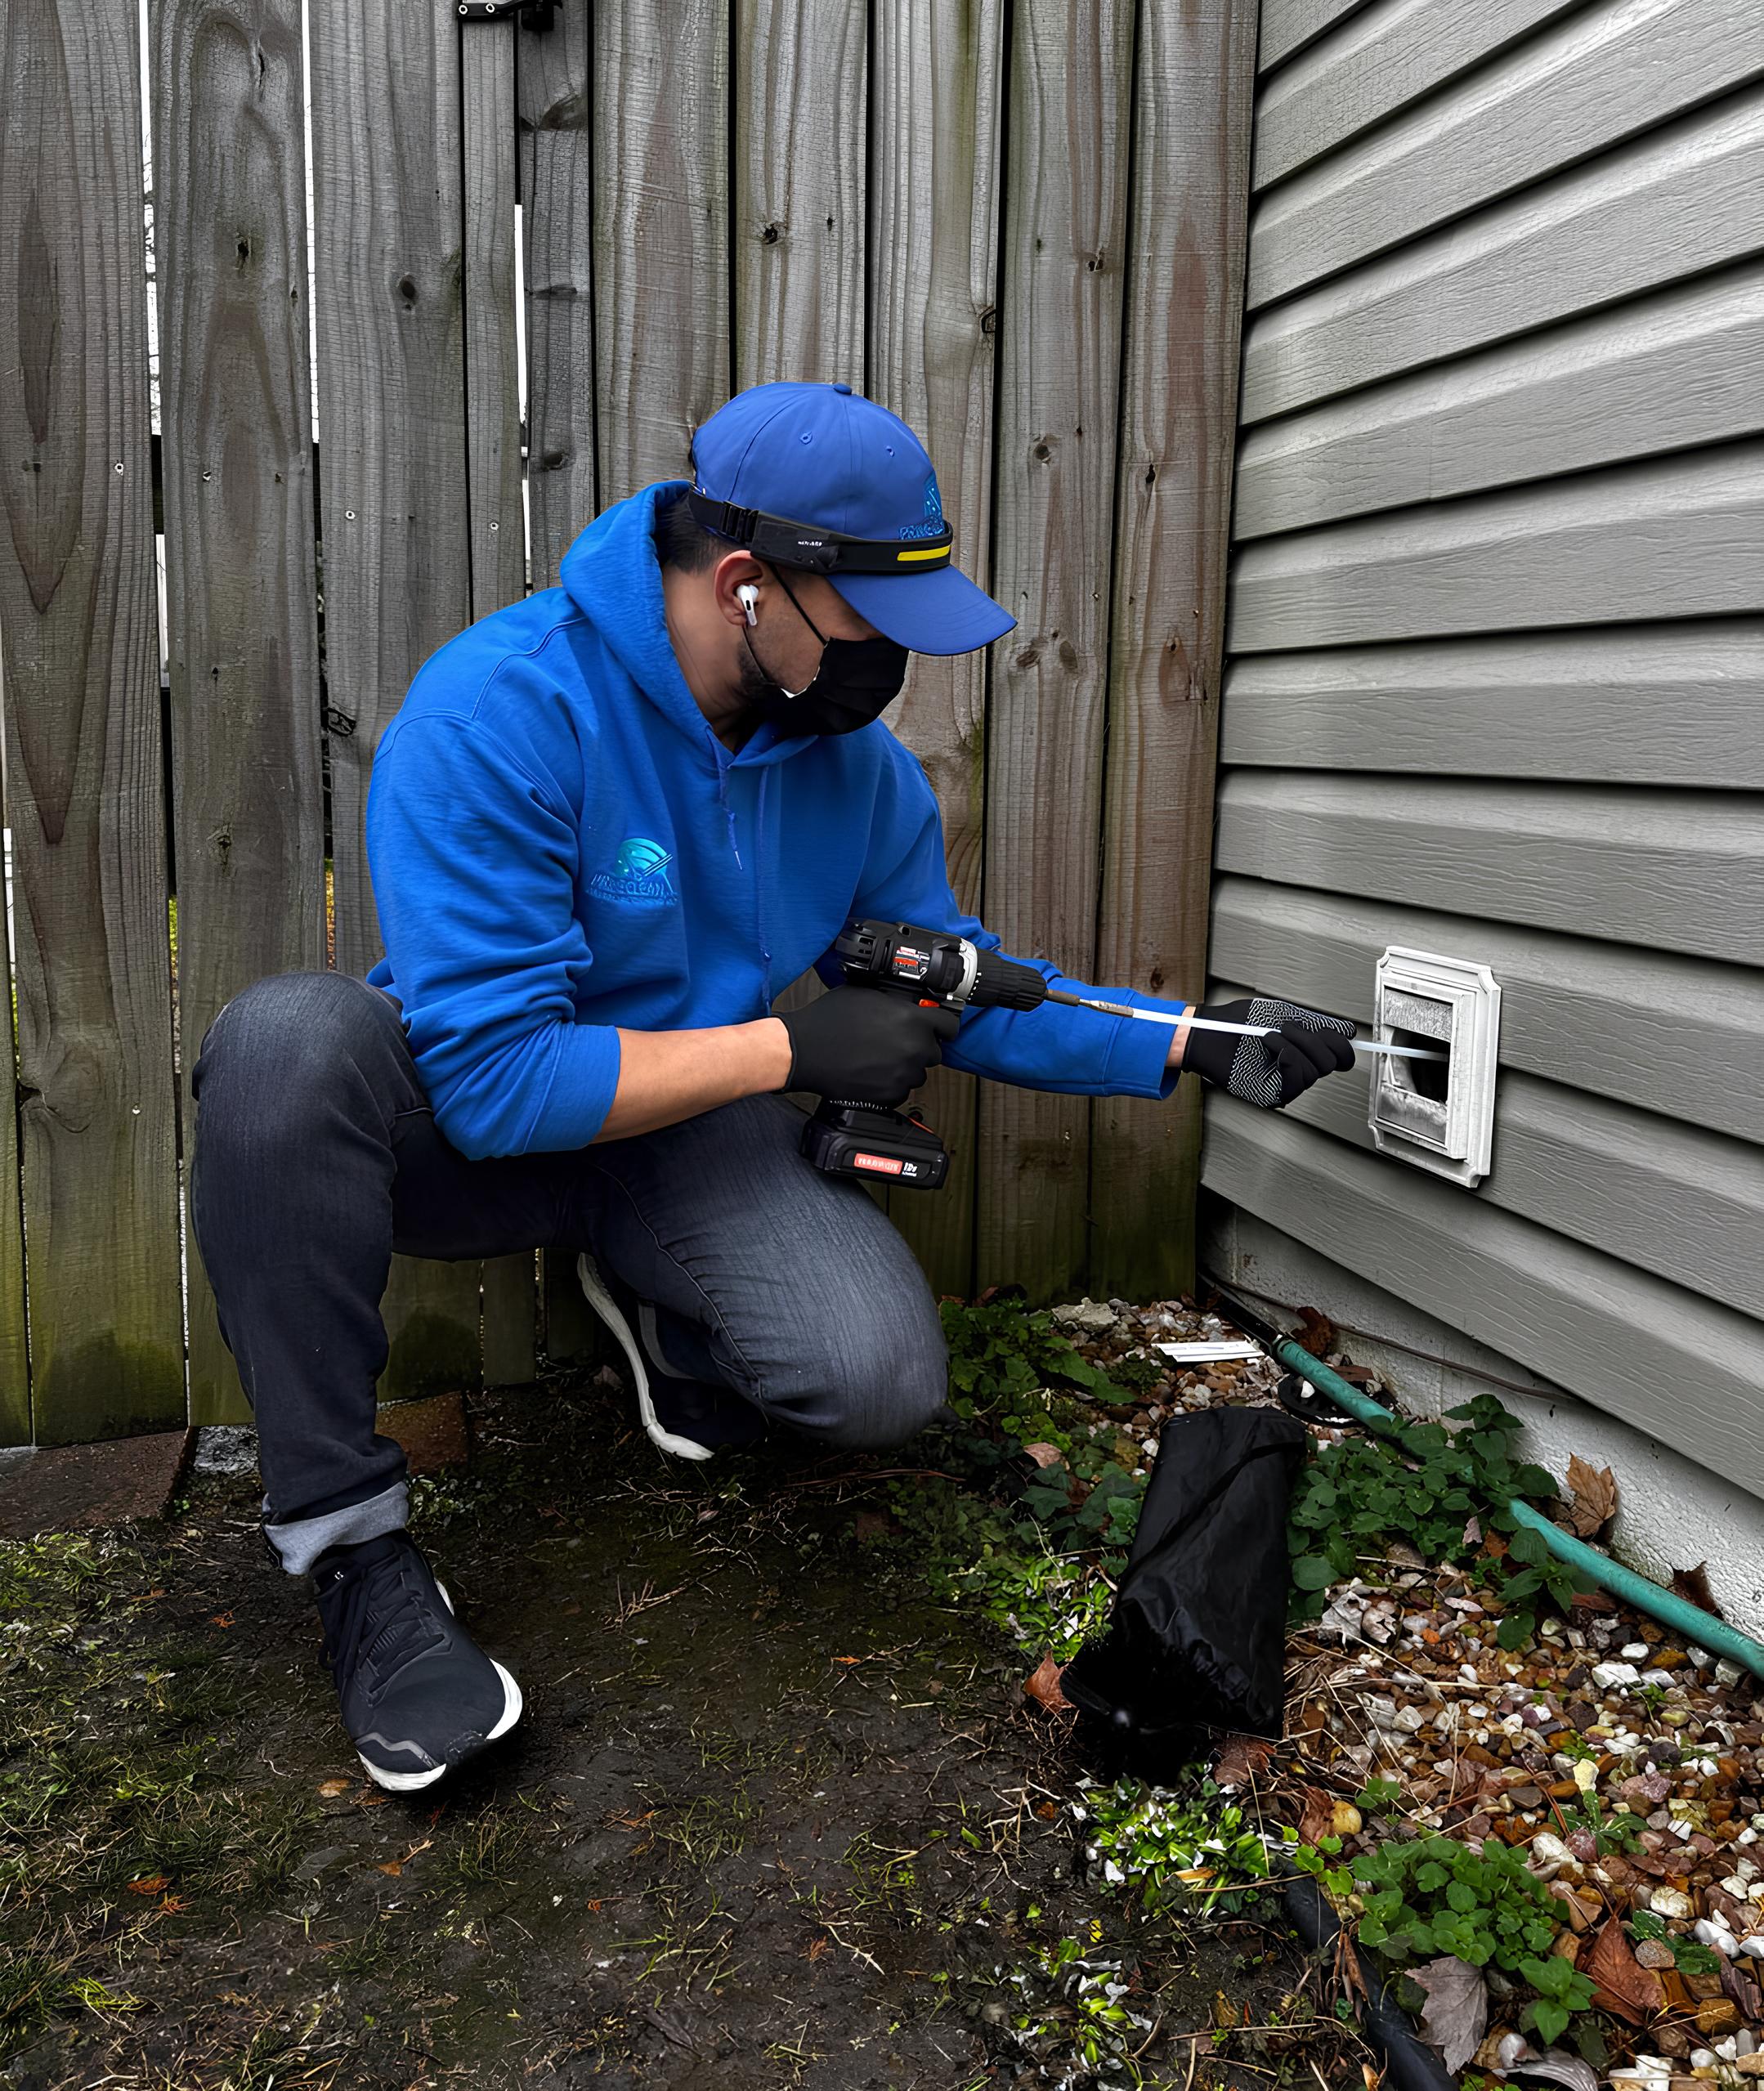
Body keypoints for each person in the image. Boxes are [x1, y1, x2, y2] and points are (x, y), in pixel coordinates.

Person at [190, 382, 1355, 1791]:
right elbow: (493, 1084)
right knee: (278, 1048)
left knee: (875, 1380)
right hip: (461, 1133)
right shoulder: (504, 709)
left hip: (677, 1132)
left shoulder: (852, 771)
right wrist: (794, 1051)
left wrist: (1188, 1038)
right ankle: (354, 1556)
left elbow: (953, 978)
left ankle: (667, 1315)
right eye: (874, 624)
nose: (896, 670)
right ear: (748, 586)